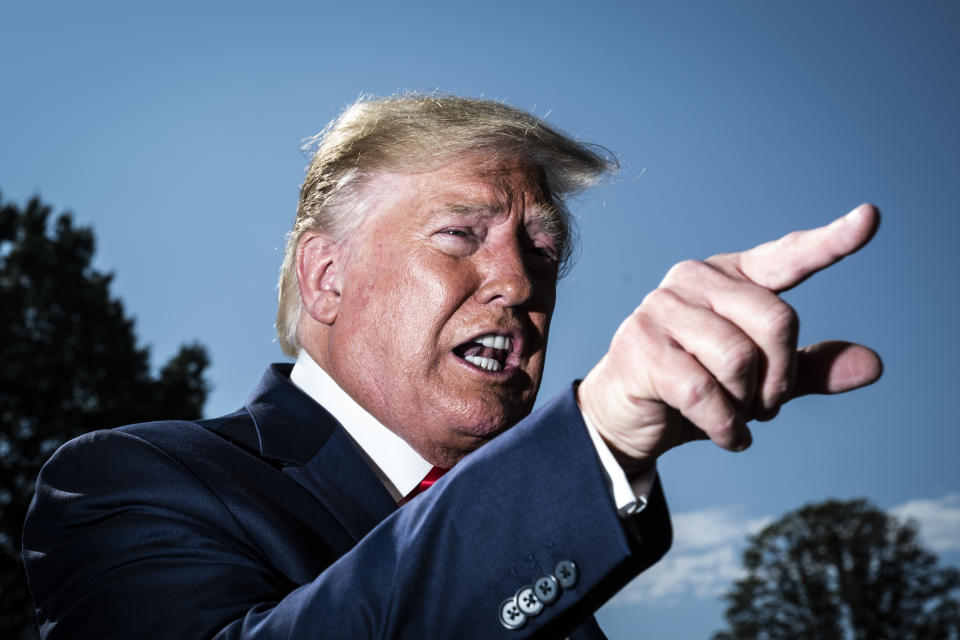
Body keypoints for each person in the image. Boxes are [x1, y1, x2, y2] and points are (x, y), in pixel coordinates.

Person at [22, 94, 882, 639]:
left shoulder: (560, 578)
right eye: (460, 236)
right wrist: (593, 440)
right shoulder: (123, 482)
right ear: (328, 277)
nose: (518, 281)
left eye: (541, 251)